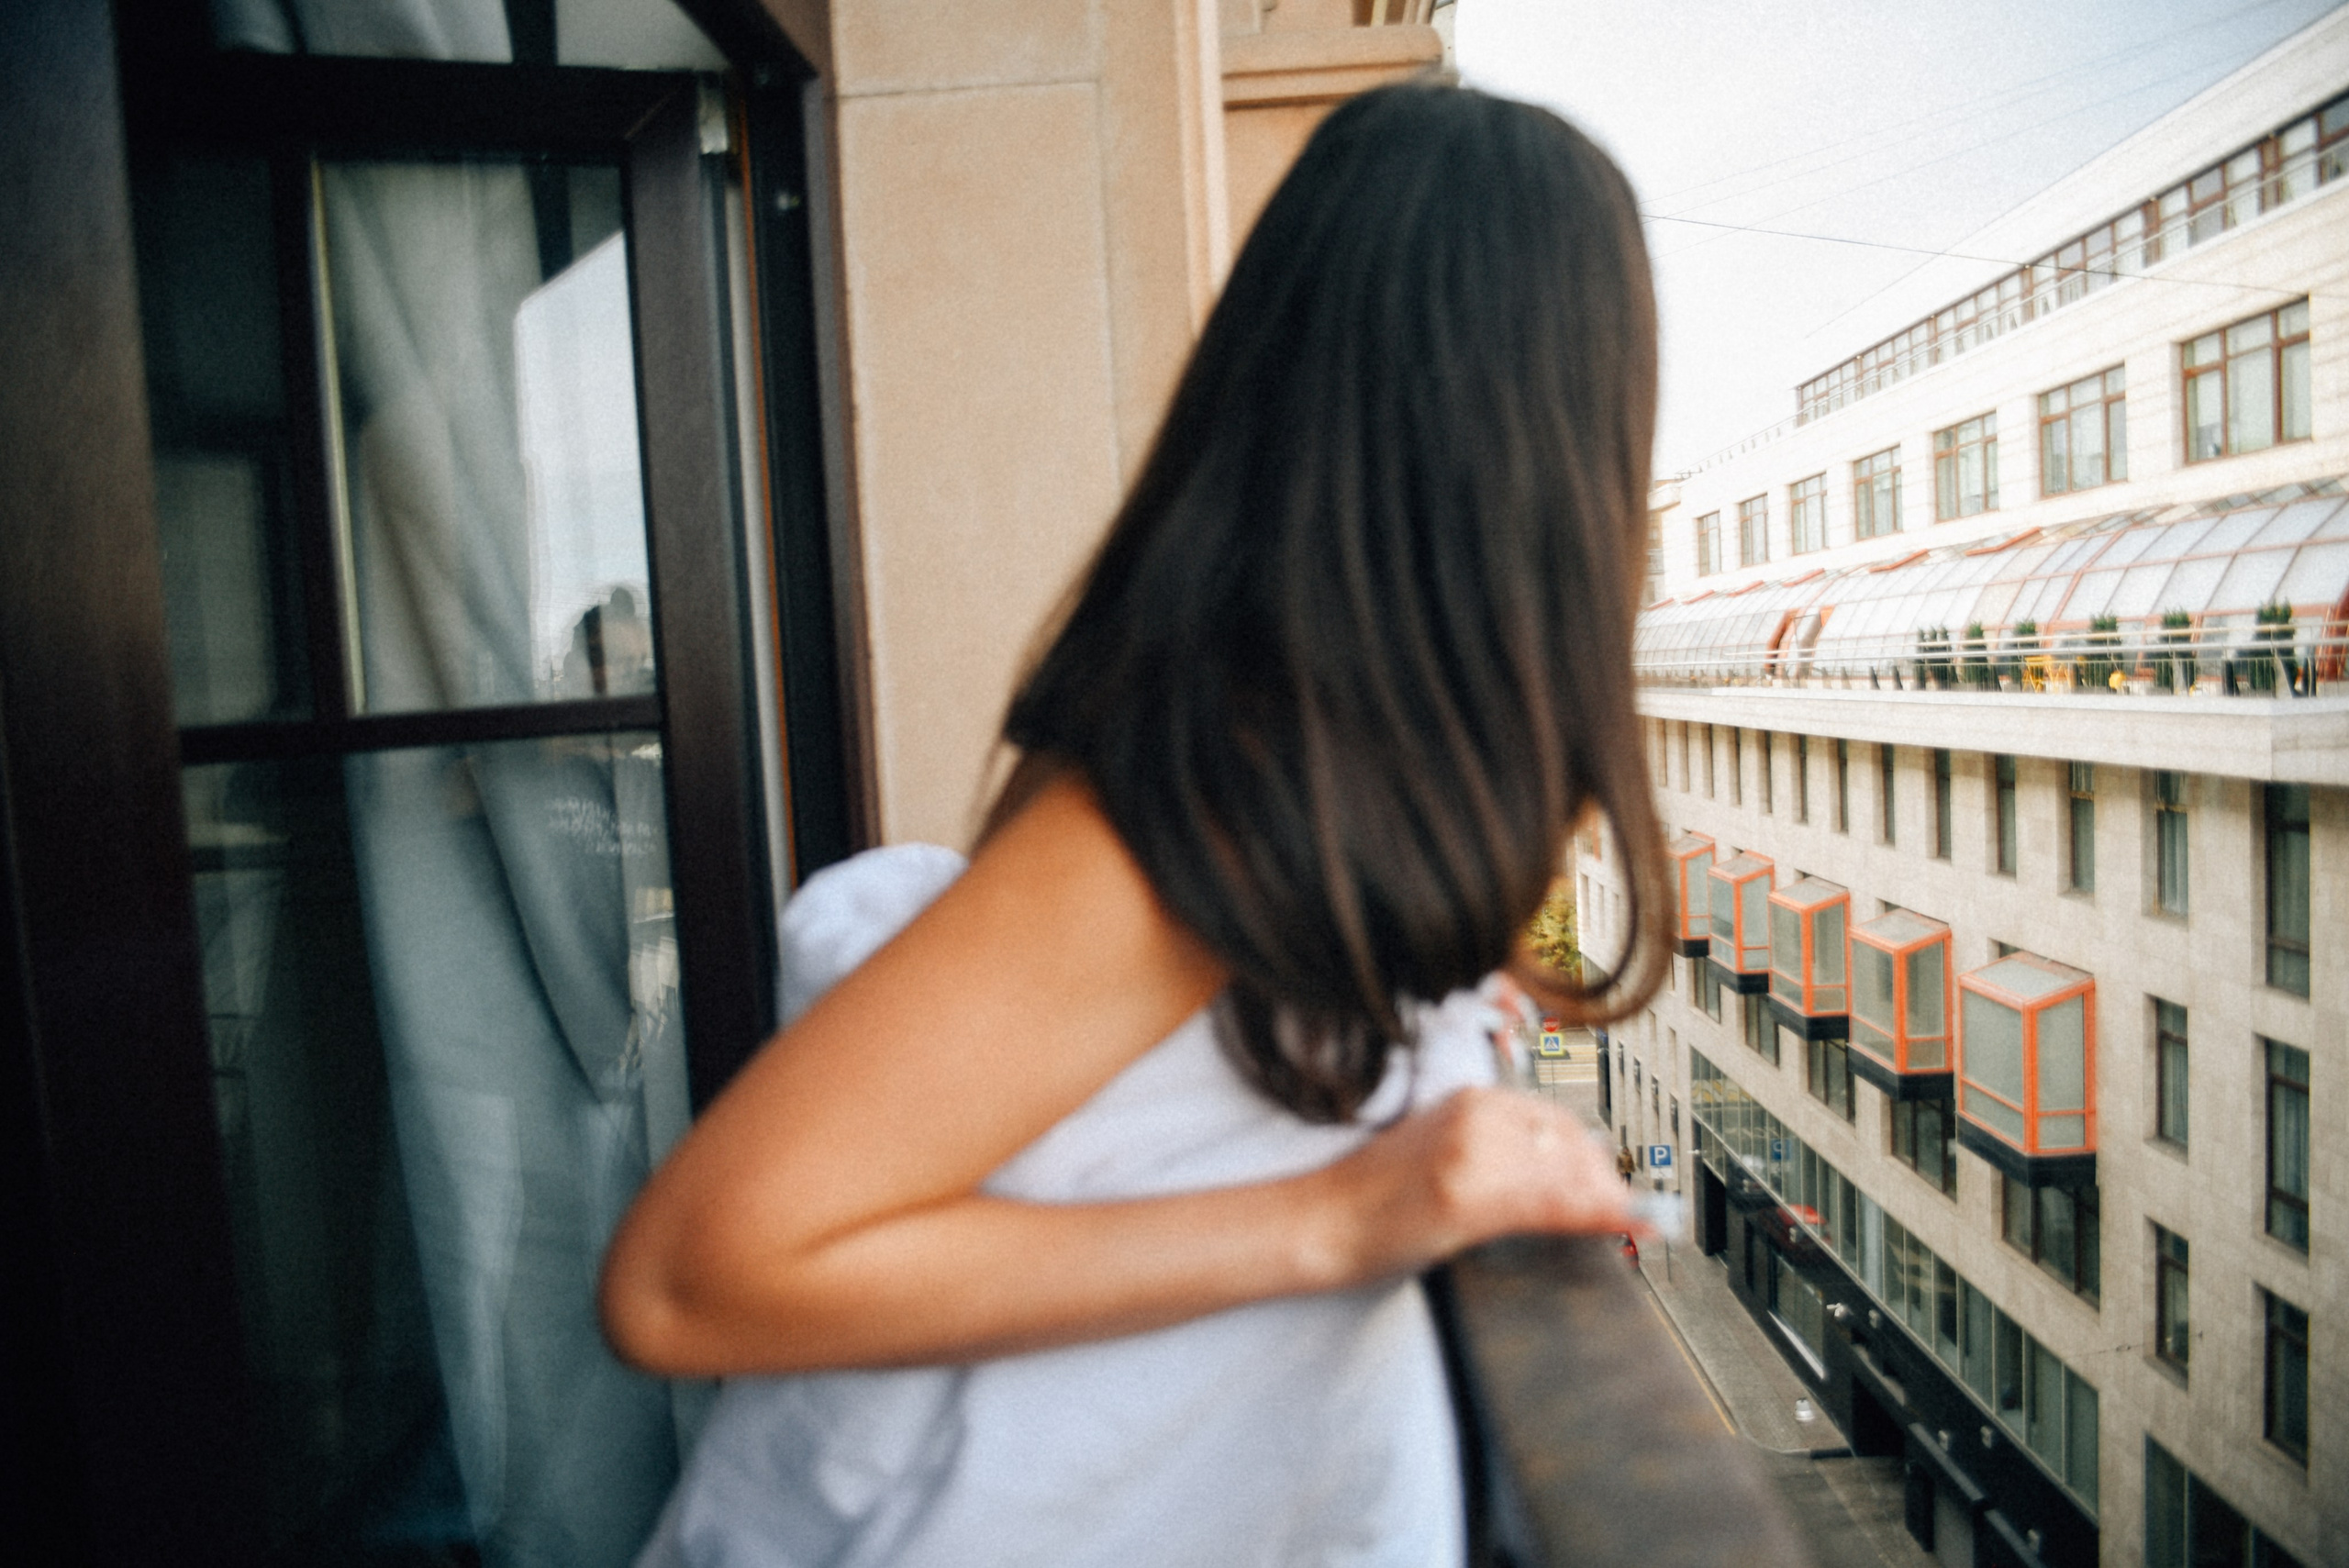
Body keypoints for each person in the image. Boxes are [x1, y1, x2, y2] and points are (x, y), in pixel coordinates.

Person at [599, 81, 1673, 1566]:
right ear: (1556, 456)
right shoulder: (1183, 823)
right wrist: (1345, 1215)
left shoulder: (1271, 789)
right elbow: (687, 1281)